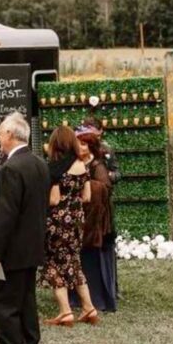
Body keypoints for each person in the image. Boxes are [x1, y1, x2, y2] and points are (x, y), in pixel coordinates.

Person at [0, 111, 50, 344]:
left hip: (11, 251)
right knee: (26, 303)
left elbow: (5, 216)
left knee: (2, 303)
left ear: (10, 134)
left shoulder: (11, 168)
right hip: (32, 247)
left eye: (0, 133)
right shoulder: (39, 163)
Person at [39, 127, 99, 327]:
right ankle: (89, 308)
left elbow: (54, 200)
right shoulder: (82, 165)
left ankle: (65, 312)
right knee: (74, 262)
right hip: (76, 221)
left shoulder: (55, 169)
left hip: (57, 222)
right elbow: (87, 197)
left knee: (53, 264)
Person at [77, 129, 117, 313]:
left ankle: (98, 299)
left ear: (90, 147)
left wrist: (84, 185)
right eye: (78, 143)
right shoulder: (77, 163)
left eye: (83, 144)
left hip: (98, 222)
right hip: (83, 219)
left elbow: (104, 188)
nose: (79, 147)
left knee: (95, 259)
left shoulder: (97, 165)